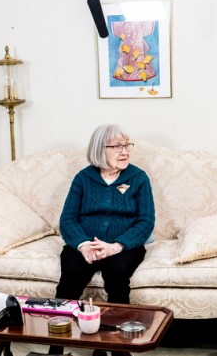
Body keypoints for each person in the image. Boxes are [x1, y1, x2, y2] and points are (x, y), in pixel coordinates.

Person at [55, 124, 155, 306]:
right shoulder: (83, 178)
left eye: (127, 145)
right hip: (86, 243)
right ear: (99, 150)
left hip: (124, 246)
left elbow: (146, 222)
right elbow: (68, 219)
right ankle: (59, 326)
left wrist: (116, 246)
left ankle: (117, 330)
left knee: (117, 276)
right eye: (117, 147)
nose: (125, 152)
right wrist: (83, 245)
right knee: (70, 277)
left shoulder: (139, 177)